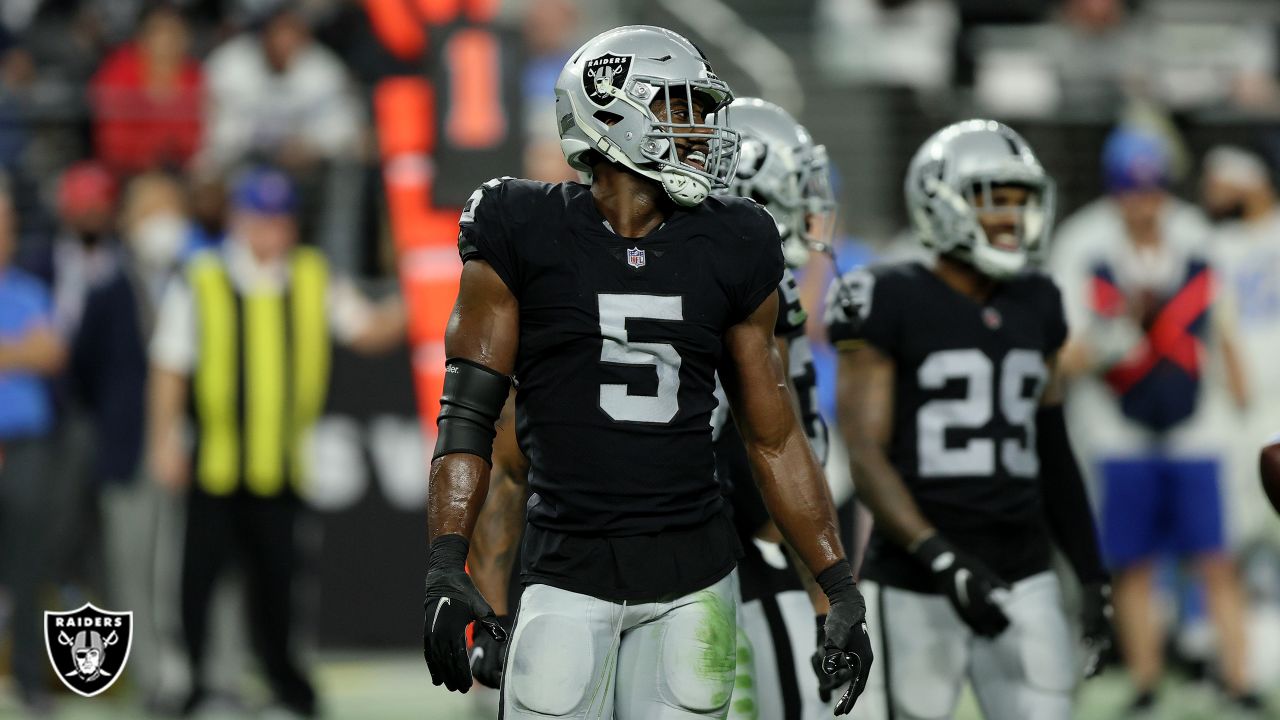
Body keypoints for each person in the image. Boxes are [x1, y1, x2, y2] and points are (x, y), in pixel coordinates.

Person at [421, 25, 873, 719]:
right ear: (611, 110)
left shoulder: (736, 236)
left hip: (694, 580)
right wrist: (449, 565)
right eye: (680, 107)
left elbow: (775, 437)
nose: (700, 128)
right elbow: (471, 418)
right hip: (566, 572)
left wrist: (838, 586)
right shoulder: (521, 223)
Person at [827, 119, 1111, 720]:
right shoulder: (885, 295)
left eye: (1020, 201)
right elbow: (866, 452)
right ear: (941, 201)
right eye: (994, 200)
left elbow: (1052, 448)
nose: (1012, 217)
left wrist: (1090, 573)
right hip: (916, 573)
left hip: (1023, 566)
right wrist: (940, 557)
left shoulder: (1039, 299)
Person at [148, 166, 404, 717]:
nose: (270, 233)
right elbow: (170, 365)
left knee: (278, 587)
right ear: (239, 221)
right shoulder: (203, 276)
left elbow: (369, 331)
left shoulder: (313, 277)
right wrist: (163, 440)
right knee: (197, 585)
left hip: (283, 466)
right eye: (260, 220)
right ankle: (197, 687)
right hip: (214, 464)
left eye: (280, 221)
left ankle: (283, 687)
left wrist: (425, 291)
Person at [1051, 129, 1260, 717]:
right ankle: (1145, 682)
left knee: (1217, 558)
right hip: (1119, 430)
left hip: (1199, 425)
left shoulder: (1195, 233)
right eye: (1131, 192)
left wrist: (1243, 403)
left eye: (1153, 191)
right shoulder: (1083, 242)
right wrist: (1121, 335)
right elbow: (1065, 353)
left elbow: (1221, 323)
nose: (1144, 204)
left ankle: (1237, 680)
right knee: (1133, 564)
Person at [712, 97, 845, 720]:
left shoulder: (776, 293)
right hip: (732, 552)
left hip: (761, 546)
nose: (809, 205)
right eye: (794, 186)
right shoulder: (735, 295)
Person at [0, 177, 65, 715]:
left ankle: (27, 678)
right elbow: (34, 349)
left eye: (8, 226)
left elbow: (51, 353)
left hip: (26, 446)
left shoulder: (28, 288)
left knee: (28, 568)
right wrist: (21, 349)